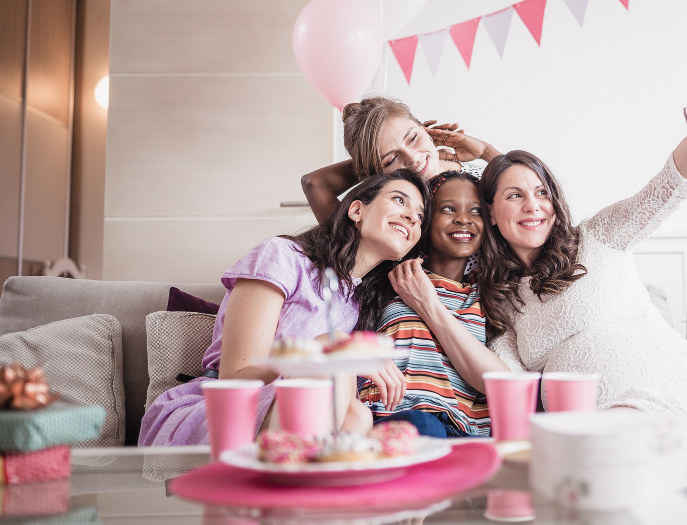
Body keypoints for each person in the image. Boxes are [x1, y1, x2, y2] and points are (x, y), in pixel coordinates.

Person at [479, 86, 687, 490]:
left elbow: (666, 190)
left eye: (542, 193)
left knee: (580, 457)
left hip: (675, 403)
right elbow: (507, 385)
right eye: (515, 196)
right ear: (492, 216)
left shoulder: (598, 238)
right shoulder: (504, 306)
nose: (533, 206)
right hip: (592, 436)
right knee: (558, 462)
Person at [139, 170, 430, 446]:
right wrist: (333, 347)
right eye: (399, 200)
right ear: (356, 210)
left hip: (298, 420)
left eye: (419, 216)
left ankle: (307, 489)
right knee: (331, 356)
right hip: (219, 409)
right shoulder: (283, 256)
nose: (411, 217)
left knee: (359, 415)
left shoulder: (361, 304)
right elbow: (236, 377)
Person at [360, 171, 509, 438]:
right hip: (391, 421)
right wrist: (405, 161)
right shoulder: (388, 272)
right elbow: (316, 186)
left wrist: (488, 154)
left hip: (462, 431)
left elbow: (531, 219)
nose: (463, 219)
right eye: (449, 208)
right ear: (425, 219)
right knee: (424, 426)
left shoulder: (489, 292)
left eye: (476, 211)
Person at [302, 96, 500, 225]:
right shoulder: (394, 218)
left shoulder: (482, 175)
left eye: (413, 138)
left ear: (425, 129)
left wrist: (486, 151)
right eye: (391, 160)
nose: (412, 158)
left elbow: (528, 196)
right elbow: (314, 183)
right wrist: (369, 166)